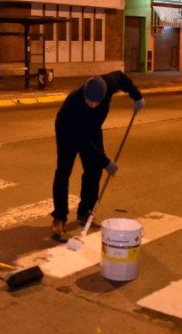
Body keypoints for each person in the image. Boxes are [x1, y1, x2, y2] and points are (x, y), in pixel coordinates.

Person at [51, 71, 145, 240]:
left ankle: (85, 211)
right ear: (85, 93)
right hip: (68, 131)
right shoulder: (75, 103)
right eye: (89, 101)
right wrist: (105, 162)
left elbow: (122, 78)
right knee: (64, 171)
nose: (93, 105)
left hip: (92, 129)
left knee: (93, 170)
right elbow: (82, 141)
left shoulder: (108, 84)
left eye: (96, 102)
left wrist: (136, 96)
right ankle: (59, 217)